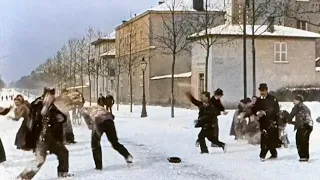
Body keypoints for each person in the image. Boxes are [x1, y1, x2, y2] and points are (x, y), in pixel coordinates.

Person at [18, 87, 73, 179]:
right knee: (40, 159)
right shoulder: (38, 104)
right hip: (40, 138)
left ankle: (63, 173)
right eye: (50, 95)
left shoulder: (52, 105)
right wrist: (45, 109)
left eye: (53, 95)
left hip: (51, 137)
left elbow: (60, 115)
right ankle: (23, 177)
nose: (52, 97)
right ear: (46, 95)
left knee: (63, 152)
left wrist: (62, 118)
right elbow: (37, 116)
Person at [81, 106, 133, 170]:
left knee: (95, 144)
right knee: (114, 142)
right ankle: (127, 156)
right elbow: (112, 116)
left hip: (98, 122)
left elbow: (89, 123)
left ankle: (98, 166)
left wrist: (90, 125)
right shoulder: (99, 107)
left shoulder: (83, 110)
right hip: (109, 121)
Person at [252, 83, 281, 161]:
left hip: (272, 122)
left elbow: (276, 110)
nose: (262, 92)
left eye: (263, 90)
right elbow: (254, 109)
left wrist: (265, 112)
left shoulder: (273, 99)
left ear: (266, 90)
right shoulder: (259, 100)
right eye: (261, 91)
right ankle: (273, 153)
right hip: (263, 123)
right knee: (267, 138)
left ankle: (262, 155)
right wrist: (257, 112)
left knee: (267, 138)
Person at [287, 94, 313, 162]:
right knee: (305, 141)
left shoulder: (297, 107)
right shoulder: (305, 107)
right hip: (309, 125)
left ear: (298, 100)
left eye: (294, 100)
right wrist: (293, 122)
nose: (293, 101)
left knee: (299, 141)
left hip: (303, 126)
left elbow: (291, 116)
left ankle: (303, 157)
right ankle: (306, 156)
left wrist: (288, 120)